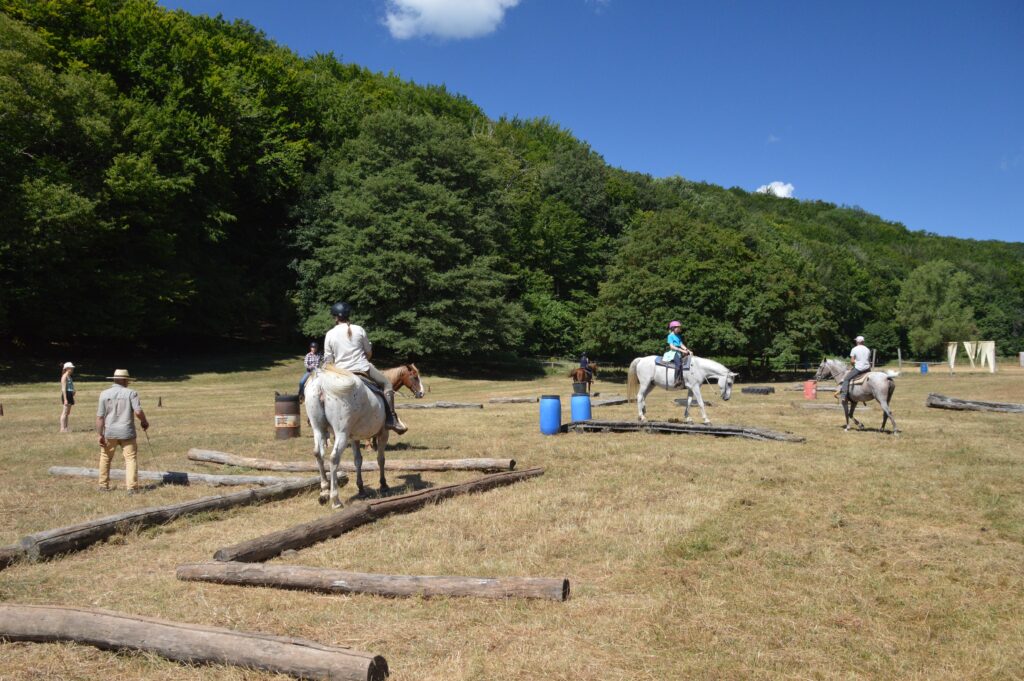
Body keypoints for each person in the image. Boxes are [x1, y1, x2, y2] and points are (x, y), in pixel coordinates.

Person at [322, 302, 407, 434]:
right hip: (363, 368)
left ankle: (321, 420)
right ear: (348, 315)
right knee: (387, 384)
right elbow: (368, 352)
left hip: (341, 372)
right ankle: (391, 419)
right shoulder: (359, 329)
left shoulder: (330, 334)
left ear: (336, 318)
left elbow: (329, 359)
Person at [96, 369, 149, 494]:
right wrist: (144, 421)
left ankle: (103, 486)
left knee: (105, 458)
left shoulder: (104, 394)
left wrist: (99, 434)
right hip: (127, 432)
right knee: (130, 459)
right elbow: (138, 411)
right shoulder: (132, 393)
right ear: (125, 380)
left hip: (109, 431)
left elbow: (100, 417)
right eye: (128, 380)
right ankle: (132, 488)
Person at [841, 335, 872, 399]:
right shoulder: (867, 349)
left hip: (858, 368)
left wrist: (853, 366)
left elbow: (852, 361)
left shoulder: (854, 349)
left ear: (857, 342)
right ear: (863, 342)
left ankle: (844, 395)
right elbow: (868, 360)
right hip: (867, 369)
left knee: (846, 379)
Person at [667, 321, 692, 386]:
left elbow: (681, 344)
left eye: (679, 328)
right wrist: (682, 351)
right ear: (673, 328)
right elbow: (672, 347)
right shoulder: (670, 336)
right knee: (678, 364)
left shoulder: (678, 336)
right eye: (678, 328)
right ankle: (676, 380)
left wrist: (688, 350)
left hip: (679, 351)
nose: (679, 329)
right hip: (674, 352)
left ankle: (683, 380)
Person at [59, 362, 76, 433]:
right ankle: (62, 428)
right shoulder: (64, 377)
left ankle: (66, 427)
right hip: (66, 395)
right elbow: (63, 389)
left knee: (68, 413)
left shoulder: (70, 377)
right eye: (71, 368)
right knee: (65, 412)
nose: (72, 369)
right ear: (67, 369)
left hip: (70, 395)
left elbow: (70, 387)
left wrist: (73, 393)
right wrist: (65, 399)